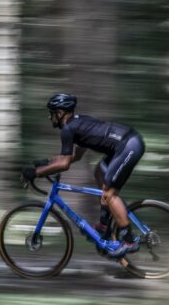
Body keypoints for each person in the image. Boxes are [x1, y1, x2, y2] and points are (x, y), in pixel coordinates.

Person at [21, 93, 146, 258]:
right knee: (99, 173)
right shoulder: (77, 123)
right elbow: (74, 156)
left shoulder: (67, 129)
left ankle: (128, 240)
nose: (49, 116)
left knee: (109, 193)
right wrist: (46, 162)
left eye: (51, 112)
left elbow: (64, 164)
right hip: (125, 144)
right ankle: (104, 226)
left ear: (59, 113)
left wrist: (35, 173)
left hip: (128, 146)